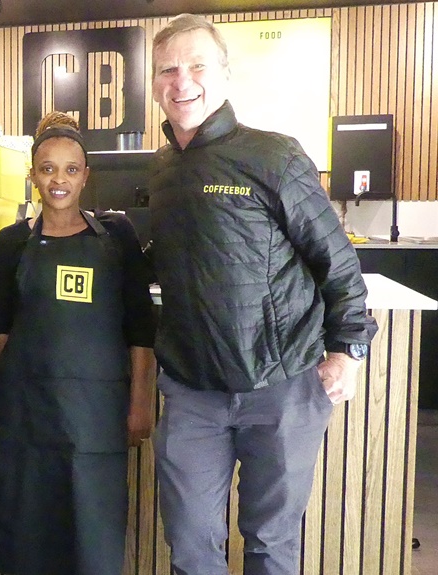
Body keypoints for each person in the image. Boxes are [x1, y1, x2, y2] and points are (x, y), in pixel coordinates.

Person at [148, 14, 379, 575]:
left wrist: (348, 349)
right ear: (155, 83)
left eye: (197, 66)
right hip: (192, 390)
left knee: (271, 543)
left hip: (281, 385)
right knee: (190, 543)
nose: (183, 81)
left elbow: (336, 258)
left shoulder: (273, 155)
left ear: (224, 74)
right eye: (168, 70)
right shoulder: (161, 168)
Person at [0, 112, 157, 575]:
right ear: (33, 176)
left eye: (71, 169)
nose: (58, 180)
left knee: (93, 535)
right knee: (28, 534)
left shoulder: (118, 237)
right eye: (47, 169)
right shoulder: (11, 243)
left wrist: (140, 399)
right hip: (28, 418)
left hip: (97, 419)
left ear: (85, 177)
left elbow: (141, 327)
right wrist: (41, 372)